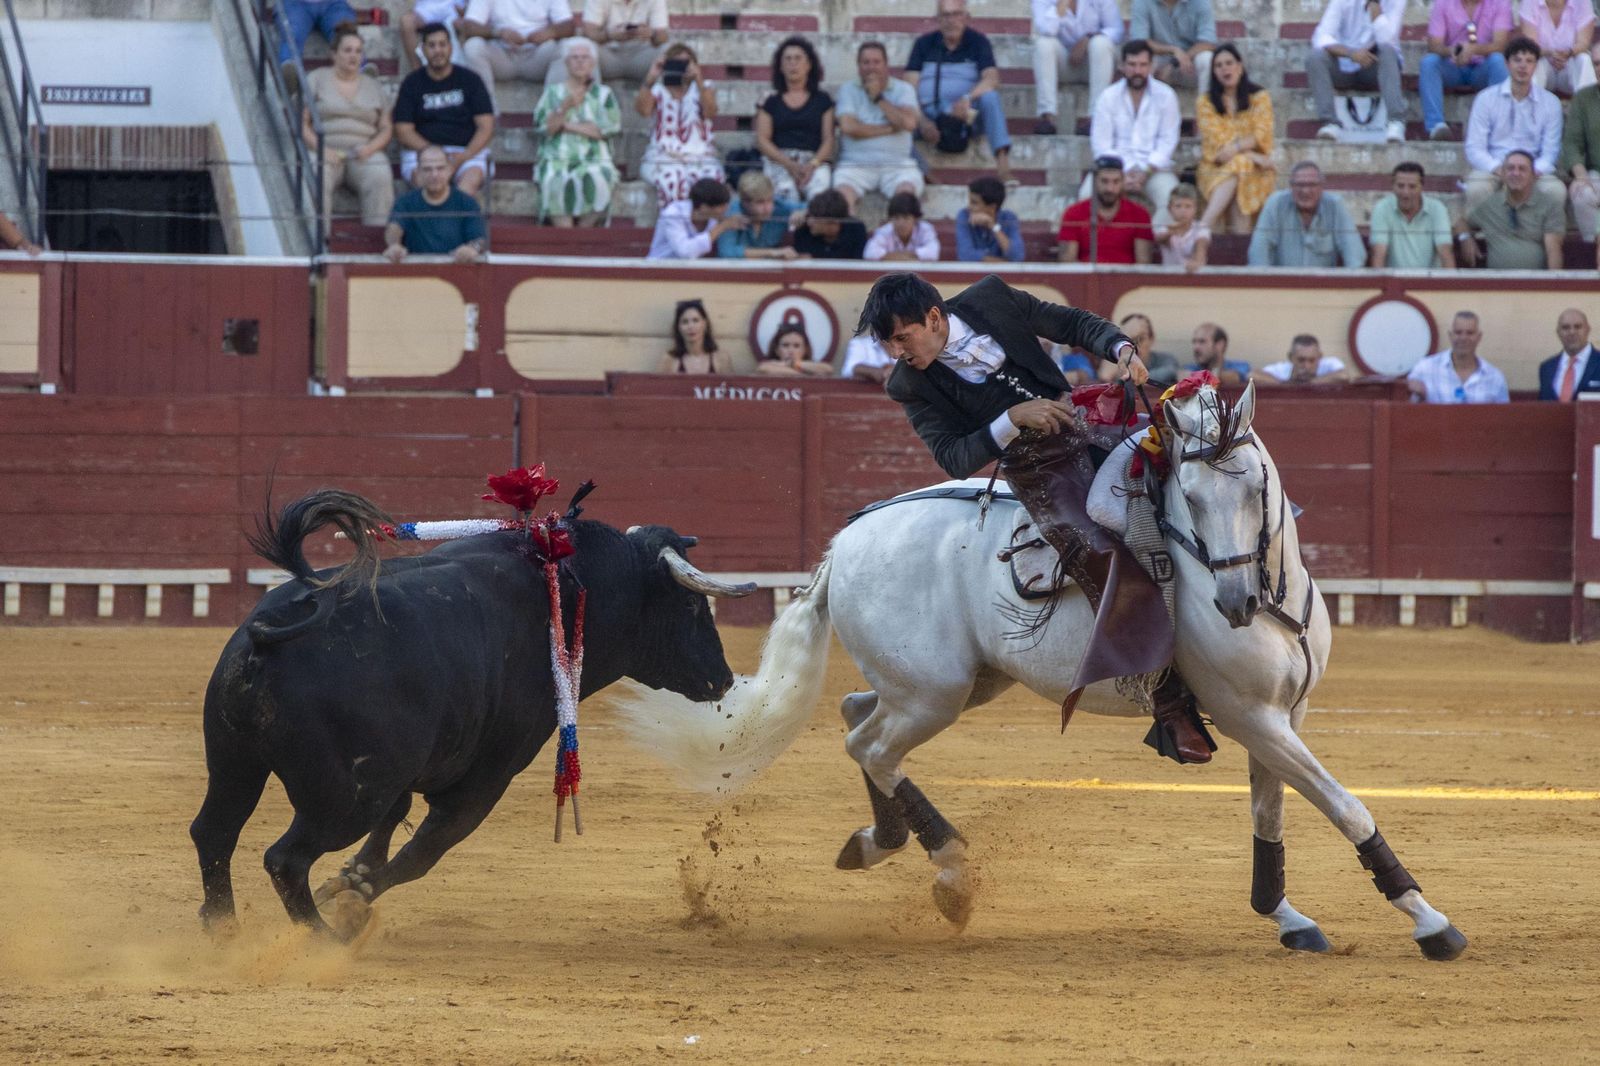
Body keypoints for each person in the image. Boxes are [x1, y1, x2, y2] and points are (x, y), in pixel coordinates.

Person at [855, 271, 1215, 765]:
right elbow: (954, 457)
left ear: (934, 317)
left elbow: (1070, 322)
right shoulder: (909, 384)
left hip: (1090, 425)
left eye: (902, 337)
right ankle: (1169, 703)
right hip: (1039, 471)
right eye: (889, 343)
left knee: (1197, 480)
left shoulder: (991, 298)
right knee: (1100, 549)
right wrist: (1012, 419)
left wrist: (1121, 349)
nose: (898, 352)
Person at [904, 0, 1014, 184]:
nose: (951, 20)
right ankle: (923, 172)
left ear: (966, 18)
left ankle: (1003, 166)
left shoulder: (978, 42)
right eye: (946, 15)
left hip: (966, 113)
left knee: (990, 98)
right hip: (929, 112)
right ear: (938, 19)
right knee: (894, 118)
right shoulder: (923, 44)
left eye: (956, 14)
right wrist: (922, 121)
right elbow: (908, 86)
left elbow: (992, 79)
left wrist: (967, 99)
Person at [301, 23, 395, 229]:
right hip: (324, 149)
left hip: (363, 151)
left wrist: (370, 148)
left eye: (359, 51)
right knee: (317, 174)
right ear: (334, 54)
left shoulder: (373, 86)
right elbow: (302, 123)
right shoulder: (316, 78)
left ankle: (378, 240)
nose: (353, 56)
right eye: (347, 50)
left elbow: (386, 128)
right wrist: (321, 149)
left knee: (379, 173)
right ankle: (319, 240)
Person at [1462, 37, 1566, 214]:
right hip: (1495, 166)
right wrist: (1499, 169)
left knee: (1555, 191)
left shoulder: (1550, 103)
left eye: (1529, 61)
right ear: (1506, 63)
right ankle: (1482, 236)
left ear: (1536, 65)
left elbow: (1550, 151)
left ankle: (1537, 237)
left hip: (1534, 169)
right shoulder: (1486, 99)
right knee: (1476, 188)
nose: (1523, 66)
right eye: (1517, 60)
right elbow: (1474, 148)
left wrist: (1531, 172)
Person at [1082, 40, 1180, 225]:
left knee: (1172, 201)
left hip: (1153, 169)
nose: (1137, 71)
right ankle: (1104, 250)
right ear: (1122, 66)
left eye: (1143, 65)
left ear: (1151, 66)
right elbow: (1101, 144)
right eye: (1132, 65)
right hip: (1114, 168)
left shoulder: (1166, 96)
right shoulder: (1107, 97)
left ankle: (1146, 244)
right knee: (1086, 197)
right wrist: (1122, 173)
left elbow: (1168, 140)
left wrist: (1146, 171)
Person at [393, 22, 496, 197]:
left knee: (467, 186)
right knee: (423, 184)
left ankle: (455, 224)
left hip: (466, 153)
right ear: (423, 49)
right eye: (431, 45)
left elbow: (486, 126)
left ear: (451, 47)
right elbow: (403, 131)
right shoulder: (411, 83)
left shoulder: (471, 80)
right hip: (423, 153)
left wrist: (463, 157)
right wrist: (435, 154)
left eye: (442, 44)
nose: (438, 50)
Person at [533, 37, 621, 226]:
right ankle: (567, 236)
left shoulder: (604, 94)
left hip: (594, 158)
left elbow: (605, 130)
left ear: (594, 63)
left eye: (585, 57)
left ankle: (581, 235)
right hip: (557, 158)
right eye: (574, 58)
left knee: (598, 180)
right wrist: (565, 106)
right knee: (553, 180)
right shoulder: (552, 93)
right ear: (566, 63)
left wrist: (566, 126)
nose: (580, 61)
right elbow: (546, 128)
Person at [834, 42, 926, 211]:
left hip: (898, 166)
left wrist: (879, 98)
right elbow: (849, 128)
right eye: (866, 62)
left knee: (906, 201)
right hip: (855, 166)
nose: (871, 67)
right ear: (858, 66)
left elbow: (908, 123)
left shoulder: (903, 89)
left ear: (886, 65)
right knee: (840, 203)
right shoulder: (848, 89)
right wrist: (889, 128)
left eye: (876, 62)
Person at [1195, 42, 1275, 234]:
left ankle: (1203, 227)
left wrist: (1240, 151)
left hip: (1256, 169)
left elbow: (1261, 134)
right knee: (1241, 165)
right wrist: (1252, 156)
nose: (1225, 69)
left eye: (1229, 63)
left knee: (1241, 168)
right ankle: (1239, 249)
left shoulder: (1259, 96)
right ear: (1213, 72)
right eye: (1219, 65)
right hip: (1215, 167)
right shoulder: (1205, 102)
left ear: (1240, 66)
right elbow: (1220, 143)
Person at [1305, 0, 1408, 143]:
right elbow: (1321, 36)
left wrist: (1376, 13)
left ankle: (1395, 122)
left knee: (1388, 52)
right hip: (1343, 64)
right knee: (1316, 57)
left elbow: (1388, 41)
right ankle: (1330, 123)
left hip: (1374, 66)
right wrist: (1351, 53)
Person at [637, 44, 723, 208]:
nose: (680, 67)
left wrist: (698, 80)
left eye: (685, 63)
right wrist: (651, 77)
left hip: (701, 157)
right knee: (674, 181)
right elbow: (643, 111)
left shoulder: (704, 88)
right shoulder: (657, 90)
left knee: (710, 183)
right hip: (662, 157)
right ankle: (676, 229)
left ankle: (703, 231)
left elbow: (710, 113)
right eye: (675, 63)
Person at [756, 37, 836, 204]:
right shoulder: (770, 100)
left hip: (814, 160)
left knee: (819, 198)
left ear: (809, 65)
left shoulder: (823, 100)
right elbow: (762, 140)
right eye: (788, 59)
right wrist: (789, 165)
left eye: (798, 58)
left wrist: (812, 165)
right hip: (779, 160)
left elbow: (829, 139)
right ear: (781, 66)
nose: (793, 64)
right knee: (785, 196)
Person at [1456, 148, 1565, 268]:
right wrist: (1465, 238)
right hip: (1496, 283)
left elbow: (1553, 250)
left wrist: (1552, 284)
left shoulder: (1549, 205)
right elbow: (1462, 222)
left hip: (1535, 282)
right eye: (1510, 168)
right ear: (1502, 174)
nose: (1515, 173)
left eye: (1522, 169)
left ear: (1533, 175)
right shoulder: (1491, 204)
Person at [1420, 0, 1512, 140]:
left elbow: (1501, 45)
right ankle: (1435, 126)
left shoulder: (1500, 3)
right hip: (1453, 65)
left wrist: (1473, 50)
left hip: (1483, 67)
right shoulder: (1443, 3)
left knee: (1498, 60)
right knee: (1429, 62)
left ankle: (1500, 127)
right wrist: (1454, 51)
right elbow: (1434, 45)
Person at [1246, 161, 1366, 268]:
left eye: (1311, 185)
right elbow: (1259, 250)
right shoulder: (1276, 204)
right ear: (1291, 186)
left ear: (1321, 187)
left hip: (1323, 288)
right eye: (1299, 185)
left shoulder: (1335, 206)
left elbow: (1355, 254)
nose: (1305, 191)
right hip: (1283, 287)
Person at [458, 0, 575, 109]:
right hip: (502, 55)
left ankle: (552, 113)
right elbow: (469, 26)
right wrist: (498, 32)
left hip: (537, 54)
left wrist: (549, 33)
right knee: (473, 46)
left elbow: (568, 25)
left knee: (568, 48)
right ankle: (486, 112)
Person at [1030, 0, 1123, 135]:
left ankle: (1095, 118)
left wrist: (1088, 38)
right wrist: (1062, 4)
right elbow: (1047, 30)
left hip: (1096, 64)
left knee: (1101, 43)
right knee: (1043, 44)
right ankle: (1047, 117)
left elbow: (1116, 30)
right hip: (1063, 65)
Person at [384, 145, 488, 262]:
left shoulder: (467, 203)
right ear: (418, 172)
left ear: (450, 170)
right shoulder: (405, 202)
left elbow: (478, 238)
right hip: (417, 272)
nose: (434, 175)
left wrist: (472, 249)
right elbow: (394, 228)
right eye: (427, 169)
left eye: (440, 168)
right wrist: (394, 245)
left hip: (456, 269)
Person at [1058, 155, 1155, 264]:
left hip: (1126, 278)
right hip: (1087, 278)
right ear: (1094, 181)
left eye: (1116, 182)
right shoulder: (1074, 213)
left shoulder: (1140, 214)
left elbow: (1143, 263)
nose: (1110, 188)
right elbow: (1067, 261)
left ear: (1123, 182)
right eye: (1104, 181)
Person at [1406, 312, 1510, 403]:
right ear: (1450, 335)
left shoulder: (1495, 378)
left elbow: (1503, 419)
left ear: (1479, 337)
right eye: (1458, 332)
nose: (1463, 338)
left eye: (1470, 333)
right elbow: (1408, 410)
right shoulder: (1424, 369)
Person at [1368, 162, 1456, 268]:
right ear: (1392, 186)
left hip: (1430, 281)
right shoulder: (1382, 208)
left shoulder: (1437, 209)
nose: (1406, 193)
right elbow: (1379, 253)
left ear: (1421, 187)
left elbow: (1445, 252)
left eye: (1412, 187)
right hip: (1395, 282)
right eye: (1400, 186)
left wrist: (1450, 284)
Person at [1131, 0, 1217, 96]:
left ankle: (1205, 106)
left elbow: (1208, 42)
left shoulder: (1200, 2)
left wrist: (1175, 62)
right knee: (1141, 60)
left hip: (1190, 61)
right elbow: (1139, 42)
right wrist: (1173, 50)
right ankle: (1146, 107)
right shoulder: (1142, 2)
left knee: (1206, 59)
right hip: (1159, 58)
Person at [646, 177, 742, 260]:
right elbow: (685, 252)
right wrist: (722, 227)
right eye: (721, 206)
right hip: (658, 270)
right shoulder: (673, 213)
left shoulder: (713, 217)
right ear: (704, 207)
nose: (726, 209)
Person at [716, 171, 803, 260]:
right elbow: (726, 252)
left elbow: (811, 207)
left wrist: (804, 213)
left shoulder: (779, 206)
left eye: (769, 200)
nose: (767, 208)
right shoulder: (732, 213)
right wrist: (773, 253)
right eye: (760, 202)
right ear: (744, 202)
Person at [1519, 0, 1596, 94]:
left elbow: (1583, 43)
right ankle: (1531, 105)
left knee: (1584, 59)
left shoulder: (1582, 2)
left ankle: (1585, 105)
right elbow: (1530, 46)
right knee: (1532, 60)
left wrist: (1568, 53)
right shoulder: (1530, 2)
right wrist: (1551, 53)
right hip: (1543, 63)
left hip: (1570, 63)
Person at [579, 0, 668, 81]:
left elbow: (663, 37)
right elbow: (588, 32)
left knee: (670, 50)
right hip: (609, 57)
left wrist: (651, 33)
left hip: (640, 57)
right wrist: (609, 35)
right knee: (583, 46)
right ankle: (591, 95)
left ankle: (661, 97)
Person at [1563, 83, 1600, 252]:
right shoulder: (1583, 98)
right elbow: (1571, 143)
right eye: (1597, 64)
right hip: (1596, 173)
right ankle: (1594, 254)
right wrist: (1580, 175)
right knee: (1582, 193)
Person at [278, 0, 358, 76]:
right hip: (295, 4)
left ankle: (361, 71)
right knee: (293, 33)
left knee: (345, 32)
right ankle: (289, 71)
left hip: (333, 5)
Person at [956, 175, 1024, 262]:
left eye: (974, 203)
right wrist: (1004, 263)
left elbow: (1017, 256)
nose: (969, 207)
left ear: (992, 208)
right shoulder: (964, 215)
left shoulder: (1009, 218)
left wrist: (993, 226)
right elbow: (965, 255)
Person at [656, 298, 731, 374]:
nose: (691, 326)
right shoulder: (669, 360)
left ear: (704, 324)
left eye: (695, 320)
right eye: (685, 322)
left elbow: (730, 385)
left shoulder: (721, 359)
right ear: (678, 327)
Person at [1538, 308, 1600, 399]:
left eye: (1578, 327)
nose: (1572, 332)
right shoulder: (1546, 368)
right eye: (1565, 327)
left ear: (1588, 330)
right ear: (1558, 332)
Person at [865, 191, 942, 261]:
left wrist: (893, 256)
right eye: (896, 218)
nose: (900, 223)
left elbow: (933, 253)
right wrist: (913, 257)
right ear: (890, 219)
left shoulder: (925, 229)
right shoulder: (884, 231)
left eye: (906, 218)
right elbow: (869, 253)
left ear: (915, 219)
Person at [1253, 334, 1356, 385]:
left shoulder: (1329, 364)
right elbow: (1252, 375)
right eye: (1301, 360)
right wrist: (1286, 384)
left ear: (1320, 357)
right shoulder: (1283, 369)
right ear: (1290, 357)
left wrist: (1311, 383)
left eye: (1311, 360)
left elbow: (1344, 376)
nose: (1306, 366)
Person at [792, 190, 868, 259]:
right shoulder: (804, 230)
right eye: (809, 216)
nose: (809, 222)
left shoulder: (855, 229)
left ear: (833, 222)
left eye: (815, 218)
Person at [1113, 312, 1180, 385]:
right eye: (1127, 340)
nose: (1133, 346)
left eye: (1140, 339)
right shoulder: (1114, 359)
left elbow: (1172, 371)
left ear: (1151, 339)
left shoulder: (1165, 359)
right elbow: (1105, 376)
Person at [1154, 183, 1209, 272]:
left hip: (1195, 275)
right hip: (1169, 276)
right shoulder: (1165, 229)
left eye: (1188, 206)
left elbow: (1201, 248)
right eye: (1178, 206)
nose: (1183, 211)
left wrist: (1196, 262)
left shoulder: (1201, 228)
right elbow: (1159, 239)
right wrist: (1171, 232)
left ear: (1195, 209)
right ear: (1169, 209)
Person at [401, 0, 465, 75]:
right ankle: (418, 74)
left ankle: (462, 76)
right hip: (425, 11)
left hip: (454, 10)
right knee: (407, 22)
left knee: (466, 26)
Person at [757, 323, 836, 377]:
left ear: (805, 350)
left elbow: (827, 370)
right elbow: (764, 369)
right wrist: (806, 375)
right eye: (785, 345)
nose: (791, 351)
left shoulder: (813, 366)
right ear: (777, 350)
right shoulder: (769, 365)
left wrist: (793, 364)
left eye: (796, 346)